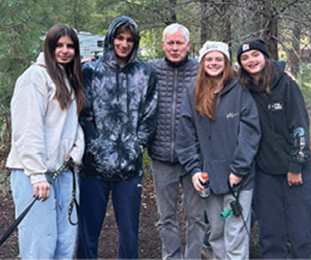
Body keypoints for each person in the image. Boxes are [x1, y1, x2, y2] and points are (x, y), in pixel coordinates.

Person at [76, 16, 158, 259]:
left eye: (129, 40)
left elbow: (150, 116)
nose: (124, 44)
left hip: (129, 169)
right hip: (93, 167)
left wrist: (135, 147)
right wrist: (96, 148)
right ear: (111, 38)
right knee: (88, 230)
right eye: (119, 38)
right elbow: (83, 114)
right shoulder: (89, 71)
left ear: (135, 43)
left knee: (129, 232)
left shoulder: (146, 74)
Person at [175, 41, 261, 260]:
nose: (214, 63)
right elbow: (186, 136)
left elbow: (250, 133)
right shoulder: (193, 92)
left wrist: (239, 169)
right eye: (209, 59)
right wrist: (194, 170)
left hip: (238, 178)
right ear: (203, 63)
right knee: (217, 234)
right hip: (209, 178)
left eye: (218, 59)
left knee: (235, 234)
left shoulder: (241, 90)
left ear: (226, 62)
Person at [6, 24, 85, 259]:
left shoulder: (68, 79)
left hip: (63, 175)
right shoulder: (34, 77)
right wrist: (37, 174)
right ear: (49, 47)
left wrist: (76, 153)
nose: (64, 51)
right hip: (34, 176)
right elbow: (27, 128)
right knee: (39, 246)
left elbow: (74, 127)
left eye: (70, 46)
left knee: (64, 244)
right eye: (59, 45)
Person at [236, 38, 311, 259]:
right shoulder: (243, 89)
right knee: (271, 235)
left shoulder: (286, 84)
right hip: (265, 173)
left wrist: (296, 166)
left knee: (301, 233)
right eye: (244, 58)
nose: (251, 60)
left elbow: (300, 127)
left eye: (255, 55)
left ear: (264, 56)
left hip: (297, 171)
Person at [147, 23, 205, 259]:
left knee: (196, 217)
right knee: (165, 218)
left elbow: (235, 79)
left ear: (188, 45)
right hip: (162, 158)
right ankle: (171, 257)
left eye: (179, 42)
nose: (174, 47)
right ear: (163, 45)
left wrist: (277, 71)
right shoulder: (150, 69)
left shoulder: (202, 70)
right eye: (170, 42)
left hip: (194, 159)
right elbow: (122, 70)